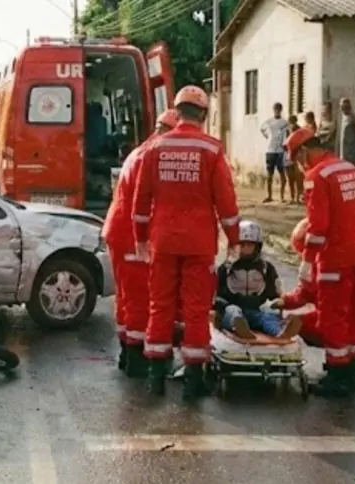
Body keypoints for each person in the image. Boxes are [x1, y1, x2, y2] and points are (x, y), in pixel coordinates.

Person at [132, 85, 240, 401]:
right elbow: (226, 203)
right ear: (203, 114)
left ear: (177, 111)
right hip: (199, 244)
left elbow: (140, 201)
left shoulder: (154, 148)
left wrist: (140, 238)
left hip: (163, 241)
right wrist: (234, 240)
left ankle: (155, 377)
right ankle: (193, 381)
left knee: (160, 305)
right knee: (196, 309)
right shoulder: (211, 150)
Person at [284, 127, 355, 397]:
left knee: (332, 315)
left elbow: (318, 226)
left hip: (335, 256)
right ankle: (353, 358)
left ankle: (338, 374)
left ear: (304, 151)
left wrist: (307, 260)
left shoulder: (316, 176)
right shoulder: (349, 169)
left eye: (298, 159)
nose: (300, 166)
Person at [104, 108, 179, 378]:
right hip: (131, 235)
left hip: (119, 232)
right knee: (140, 298)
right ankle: (136, 359)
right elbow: (149, 203)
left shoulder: (141, 151)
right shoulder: (153, 156)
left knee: (126, 296)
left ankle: (127, 352)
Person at [270, 218, 355, 375]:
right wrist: (284, 301)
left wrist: (286, 305)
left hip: (346, 319)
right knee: (343, 325)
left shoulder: (326, 269)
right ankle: (354, 353)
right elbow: (305, 293)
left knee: (304, 321)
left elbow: (307, 297)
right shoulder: (350, 263)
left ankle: (339, 367)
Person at [214, 220, 302, 339]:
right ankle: (240, 327)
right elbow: (216, 293)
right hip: (231, 310)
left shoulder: (266, 268)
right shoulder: (225, 268)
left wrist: (276, 304)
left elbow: (275, 293)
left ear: (257, 246)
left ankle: (281, 331)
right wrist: (218, 305)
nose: (245, 249)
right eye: (242, 245)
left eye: (250, 245)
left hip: (256, 311)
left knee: (266, 317)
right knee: (233, 311)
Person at [260, 103, 289, 203]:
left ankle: (282, 196)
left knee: (282, 174)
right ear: (273, 110)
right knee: (269, 175)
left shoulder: (284, 123)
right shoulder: (268, 122)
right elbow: (262, 130)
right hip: (270, 151)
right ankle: (269, 196)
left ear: (281, 110)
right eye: (275, 109)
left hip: (280, 151)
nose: (276, 111)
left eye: (278, 109)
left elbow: (287, 134)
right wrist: (268, 137)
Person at [338, 98, 355, 166]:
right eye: (342, 106)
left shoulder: (353, 118)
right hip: (343, 153)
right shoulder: (341, 118)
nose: (343, 108)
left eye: (345, 106)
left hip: (351, 154)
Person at [285, 115, 303, 203]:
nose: (291, 124)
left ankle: (297, 197)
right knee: (290, 177)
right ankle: (293, 197)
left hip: (296, 156)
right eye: (290, 122)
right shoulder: (287, 131)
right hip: (289, 155)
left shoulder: (299, 130)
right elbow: (285, 144)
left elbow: (301, 143)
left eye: (292, 122)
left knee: (297, 177)